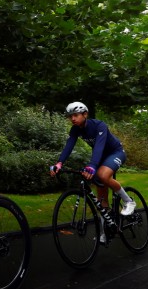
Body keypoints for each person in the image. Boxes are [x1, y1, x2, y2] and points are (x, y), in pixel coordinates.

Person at [50, 102, 134, 242]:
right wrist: (59, 163)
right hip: (101, 157)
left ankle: (128, 201)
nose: (72, 119)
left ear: (85, 114)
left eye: (75, 115)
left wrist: (93, 165)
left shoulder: (99, 125)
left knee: (102, 175)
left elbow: (99, 146)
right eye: (70, 116)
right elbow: (69, 146)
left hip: (116, 153)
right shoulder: (75, 130)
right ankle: (105, 232)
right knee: (102, 201)